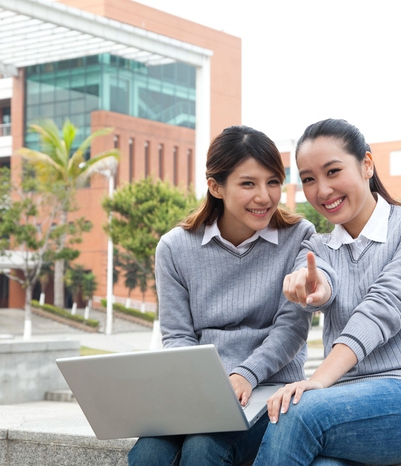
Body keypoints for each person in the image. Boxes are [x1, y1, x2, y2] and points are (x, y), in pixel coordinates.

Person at [253, 119, 401, 466]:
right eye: (308, 179)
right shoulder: (316, 247)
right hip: (348, 401)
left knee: (298, 413)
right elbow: (319, 276)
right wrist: (315, 287)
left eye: (333, 171)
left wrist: (318, 381)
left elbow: (382, 307)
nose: (322, 190)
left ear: (367, 164)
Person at [127, 125, 315, 466]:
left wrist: (245, 375)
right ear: (216, 186)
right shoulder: (174, 247)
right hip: (201, 392)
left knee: (204, 451)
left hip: (270, 389)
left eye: (273, 181)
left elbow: (291, 330)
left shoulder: (299, 236)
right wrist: (205, 386)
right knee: (147, 456)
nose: (265, 196)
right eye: (248, 183)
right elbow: (178, 335)